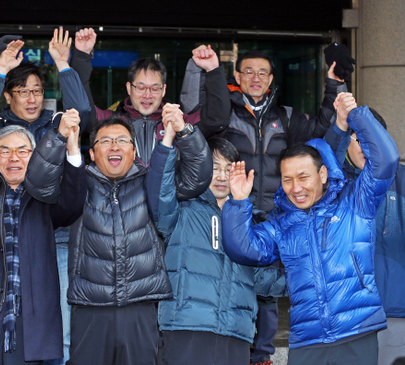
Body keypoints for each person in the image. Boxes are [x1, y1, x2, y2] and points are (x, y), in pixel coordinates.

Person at [179, 46, 350, 364]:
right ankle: (235, 344)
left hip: (274, 215)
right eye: (248, 71)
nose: (255, 78)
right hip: (233, 210)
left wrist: (333, 86)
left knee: (269, 288)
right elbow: (196, 116)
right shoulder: (224, 114)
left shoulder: (285, 116)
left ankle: (262, 355)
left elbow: (319, 136)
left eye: (262, 72)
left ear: (271, 78)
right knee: (235, 277)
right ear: (237, 76)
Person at [25, 103, 211, 364]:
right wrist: (58, 136)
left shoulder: (150, 184)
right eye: (106, 141)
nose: (114, 146)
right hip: (91, 308)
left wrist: (184, 131)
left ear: (134, 152)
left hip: (141, 306)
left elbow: (197, 177)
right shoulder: (77, 187)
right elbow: (38, 184)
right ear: (91, 153)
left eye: (122, 140)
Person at [221, 94, 399, 365]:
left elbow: (386, 161)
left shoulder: (354, 203)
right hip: (306, 341)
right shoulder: (281, 223)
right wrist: (238, 202)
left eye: (304, 177)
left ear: (323, 175)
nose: (296, 187)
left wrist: (355, 116)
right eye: (288, 179)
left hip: (356, 332)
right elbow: (244, 250)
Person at [0, 28, 91, 365]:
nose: (31, 98)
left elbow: (82, 116)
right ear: (8, 96)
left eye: (37, 91)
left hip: (52, 237)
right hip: (4, 239)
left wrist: (64, 65)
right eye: (23, 91)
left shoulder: (56, 124)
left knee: (58, 326)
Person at [0, 110, 86, 364]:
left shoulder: (43, 197)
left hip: (30, 320)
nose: (14, 158)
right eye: (4, 151)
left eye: (23, 151)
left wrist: (73, 148)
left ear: (34, 158)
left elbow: (73, 203)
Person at [154, 137, 286, 365]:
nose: (223, 176)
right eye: (214, 168)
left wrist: (305, 280)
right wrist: (168, 138)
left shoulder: (251, 220)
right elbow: (160, 191)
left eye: (229, 168)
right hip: (187, 327)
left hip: (236, 333)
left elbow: (260, 280)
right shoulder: (183, 208)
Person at [70, 28, 230, 169]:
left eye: (154, 88)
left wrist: (213, 70)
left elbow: (217, 119)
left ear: (163, 90)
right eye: (140, 88)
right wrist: (81, 56)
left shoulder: (179, 123)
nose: (147, 95)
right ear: (128, 88)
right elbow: (82, 108)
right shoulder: (110, 122)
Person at [324, 97, 405, 365]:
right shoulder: (336, 182)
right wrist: (339, 125)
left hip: (395, 306)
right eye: (358, 139)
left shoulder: (401, 180)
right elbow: (322, 161)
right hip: (347, 310)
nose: (366, 147)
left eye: (373, 140)